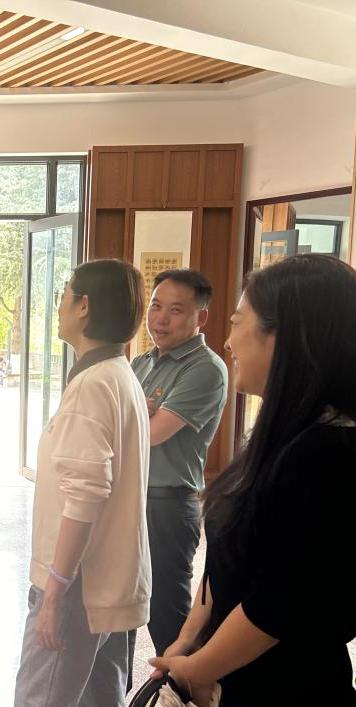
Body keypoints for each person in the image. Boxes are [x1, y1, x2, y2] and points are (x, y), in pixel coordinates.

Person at [149, 254, 356, 707]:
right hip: (247, 702)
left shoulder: (330, 450)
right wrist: (188, 637)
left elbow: (280, 604)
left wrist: (197, 668)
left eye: (238, 321)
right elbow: (229, 558)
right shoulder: (284, 433)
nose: (229, 339)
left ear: (285, 338)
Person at [14, 259, 150, 707]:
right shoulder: (119, 374)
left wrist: (54, 592)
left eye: (65, 294)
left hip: (76, 588)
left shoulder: (93, 385)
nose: (59, 305)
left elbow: (86, 496)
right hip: (109, 586)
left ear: (85, 306)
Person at [131, 269, 228, 655]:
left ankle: (185, 691)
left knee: (166, 615)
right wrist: (142, 411)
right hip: (131, 497)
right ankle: (120, 693)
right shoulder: (142, 361)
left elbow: (152, 434)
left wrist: (136, 414)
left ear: (200, 317)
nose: (161, 319)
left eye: (175, 310)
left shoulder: (205, 368)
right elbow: (117, 423)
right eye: (156, 306)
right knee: (122, 608)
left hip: (167, 506)